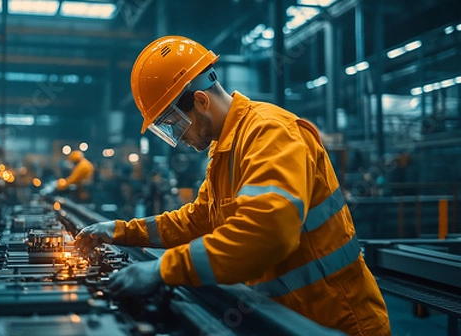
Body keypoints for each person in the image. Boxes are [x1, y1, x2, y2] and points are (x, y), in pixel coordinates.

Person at [75, 36, 390, 335]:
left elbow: (266, 234)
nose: (178, 138)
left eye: (174, 124)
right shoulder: (225, 149)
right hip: (287, 320)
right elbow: (197, 220)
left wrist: (162, 270)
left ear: (200, 101)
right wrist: (120, 230)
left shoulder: (270, 133)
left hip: (337, 324)